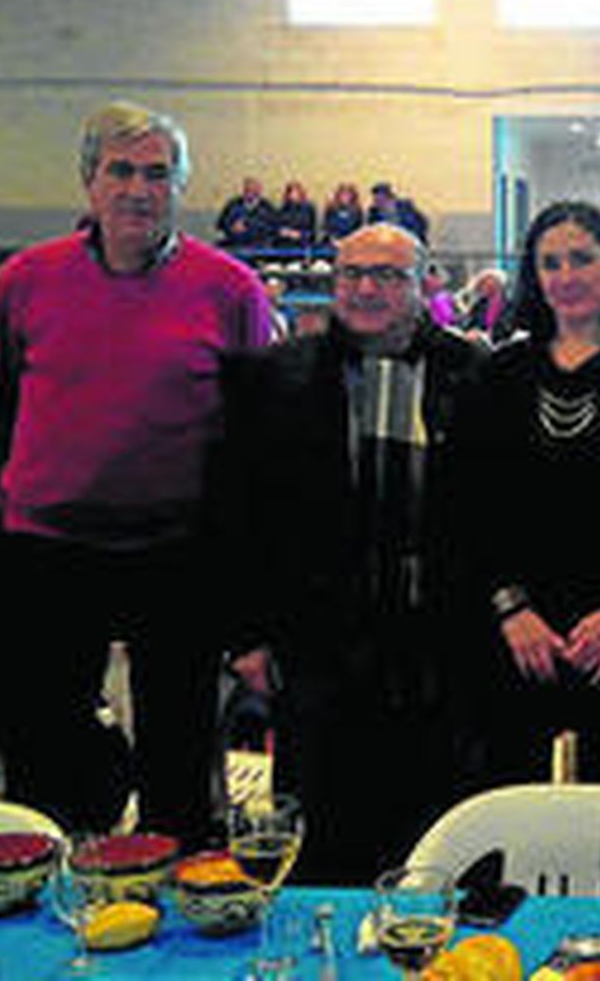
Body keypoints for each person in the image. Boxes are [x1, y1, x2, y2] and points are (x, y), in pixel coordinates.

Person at [0, 101, 277, 842]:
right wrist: (15, 496)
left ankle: (175, 912)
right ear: (89, 182)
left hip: (179, 552)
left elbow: (257, 433)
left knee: (177, 753)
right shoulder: (25, 280)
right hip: (50, 547)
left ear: (179, 188)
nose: (138, 190)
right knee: (46, 745)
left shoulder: (231, 289)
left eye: (157, 174)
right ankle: (48, 901)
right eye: (121, 171)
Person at [215, 223, 486, 881]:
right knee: (325, 848)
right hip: (319, 649)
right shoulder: (276, 378)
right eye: (352, 274)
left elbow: (495, 510)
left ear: (425, 284)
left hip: (438, 650)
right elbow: (237, 515)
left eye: (388, 275)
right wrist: (245, 638)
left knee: (434, 846)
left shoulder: (473, 374)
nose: (367, 288)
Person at [453, 202, 600, 788]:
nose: (566, 277)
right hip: (515, 629)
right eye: (550, 263)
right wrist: (511, 608)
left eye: (582, 259)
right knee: (505, 804)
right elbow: (468, 507)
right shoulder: (498, 375)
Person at [214, 176, 274, 249]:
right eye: (246, 189)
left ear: (258, 191)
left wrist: (247, 225)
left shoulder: (266, 207)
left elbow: (270, 227)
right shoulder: (233, 204)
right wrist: (232, 227)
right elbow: (221, 224)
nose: (248, 192)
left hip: (257, 246)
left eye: (252, 190)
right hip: (235, 243)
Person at [458, 267, 508, 344]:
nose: (484, 287)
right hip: (480, 344)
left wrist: (488, 334)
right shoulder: (480, 304)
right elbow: (467, 323)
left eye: (486, 283)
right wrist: (471, 331)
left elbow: (508, 327)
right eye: (482, 284)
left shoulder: (509, 303)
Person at [268, 180, 317, 249]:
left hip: (302, 243)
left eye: (295, 192)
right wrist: (282, 232)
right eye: (290, 192)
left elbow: (312, 230)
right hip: (284, 243)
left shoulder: (308, 208)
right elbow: (276, 226)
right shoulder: (284, 209)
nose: (292, 195)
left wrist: (300, 234)